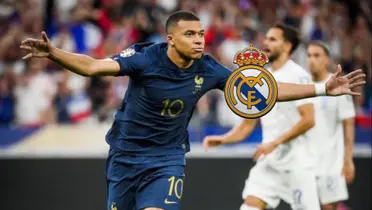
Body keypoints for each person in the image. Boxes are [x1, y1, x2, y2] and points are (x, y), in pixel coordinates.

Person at [20, 11, 365, 210]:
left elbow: (266, 91)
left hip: (166, 159)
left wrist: (323, 88)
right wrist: (54, 53)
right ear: (171, 39)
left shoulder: (210, 68)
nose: (200, 40)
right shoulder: (144, 57)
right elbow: (93, 67)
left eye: (201, 33)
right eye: (190, 34)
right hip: (124, 157)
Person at [202, 24, 357, 210]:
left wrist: (275, 143)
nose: (266, 42)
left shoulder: (298, 75)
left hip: (297, 165)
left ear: (287, 46)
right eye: (266, 38)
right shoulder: (262, 77)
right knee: (249, 206)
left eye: (273, 39)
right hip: (269, 163)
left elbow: (308, 120)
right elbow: (248, 124)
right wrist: (223, 139)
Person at [307, 41, 356, 210]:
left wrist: (348, 159)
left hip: (331, 163)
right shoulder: (301, 87)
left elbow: (348, 123)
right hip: (305, 162)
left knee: (329, 207)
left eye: (316, 55)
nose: (311, 60)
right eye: (309, 55)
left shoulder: (338, 86)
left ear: (327, 60)